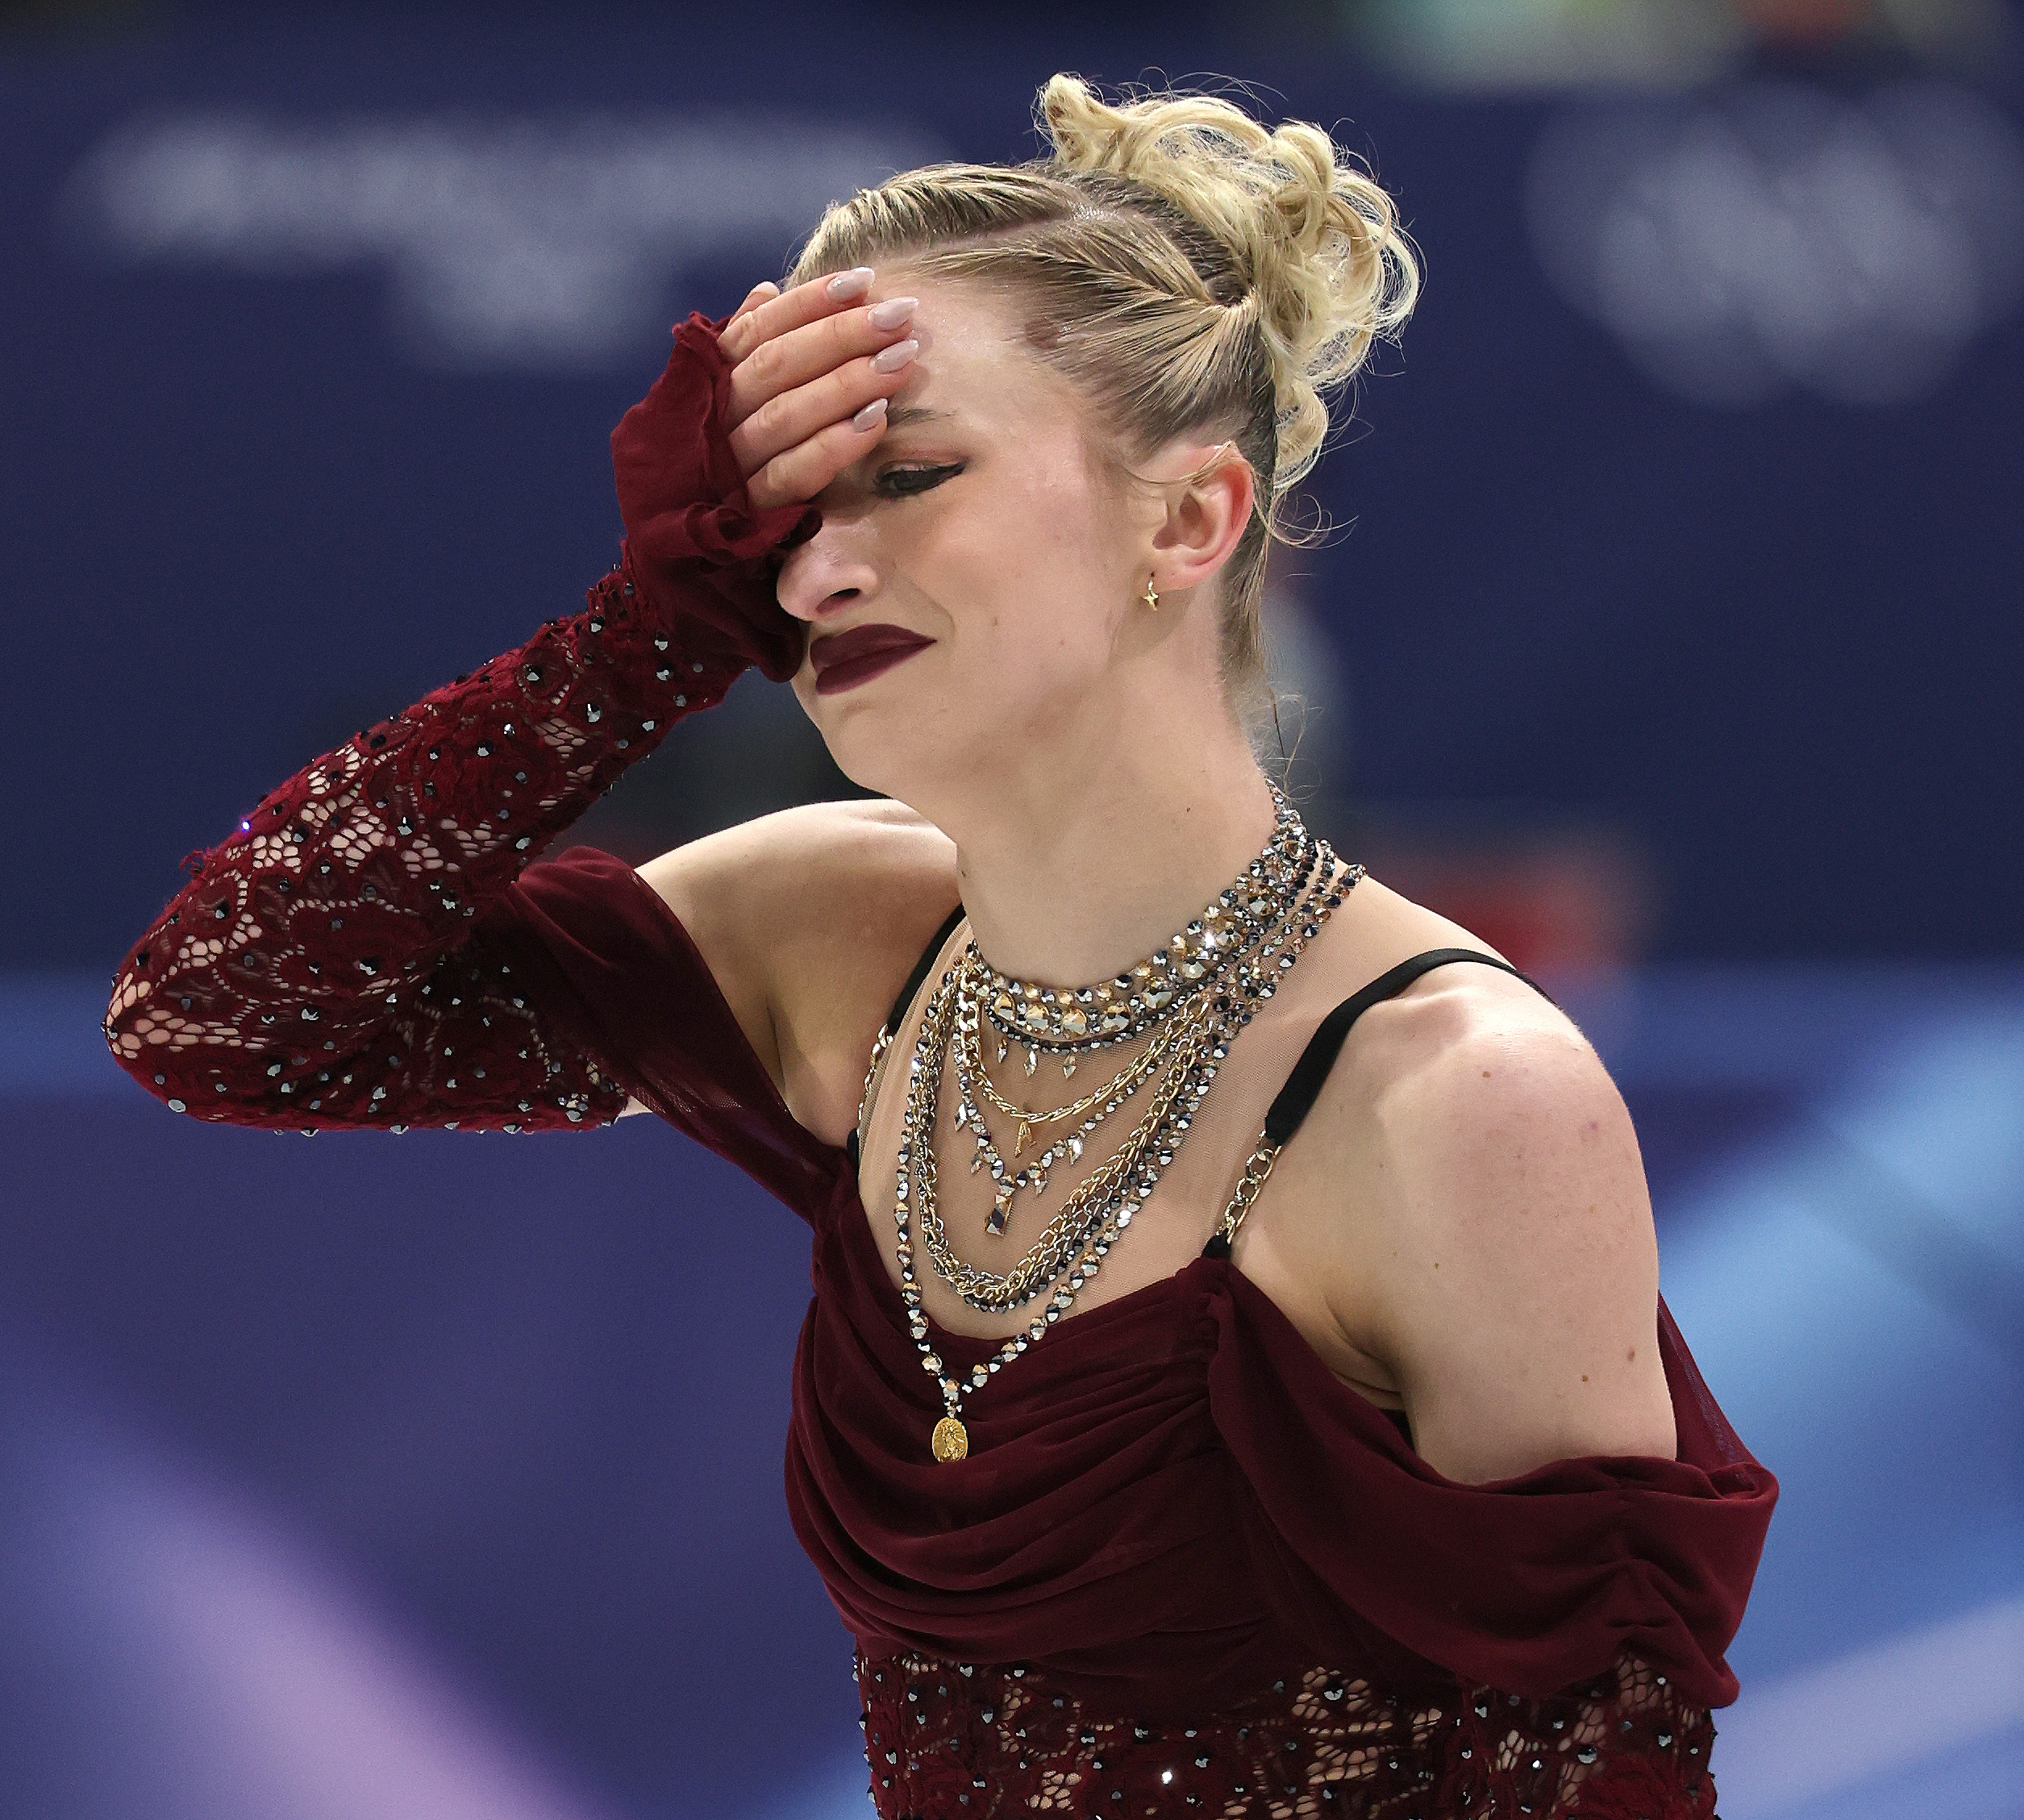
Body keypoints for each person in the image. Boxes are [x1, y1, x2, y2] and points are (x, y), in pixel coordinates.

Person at [104, 74, 1776, 1819]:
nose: (813, 571)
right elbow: (215, 1018)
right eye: (777, 506)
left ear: (1189, 521)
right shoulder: (834, 939)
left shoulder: (1459, 1095)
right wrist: (637, 637)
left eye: (906, 475)